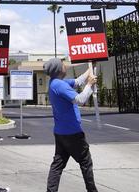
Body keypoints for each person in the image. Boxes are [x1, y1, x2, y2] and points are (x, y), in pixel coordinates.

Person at [44, 58, 98, 192]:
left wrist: (90, 68)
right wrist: (89, 85)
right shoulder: (60, 85)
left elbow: (78, 81)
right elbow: (80, 99)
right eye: (63, 64)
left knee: (57, 165)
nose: (65, 65)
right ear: (58, 69)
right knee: (86, 162)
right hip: (72, 133)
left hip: (60, 132)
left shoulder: (55, 83)